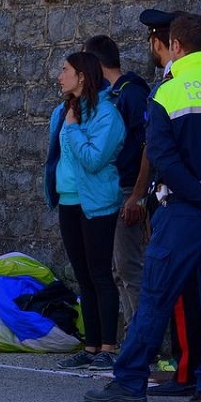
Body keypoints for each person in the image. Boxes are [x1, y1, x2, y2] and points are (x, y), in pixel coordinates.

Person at [85, 13, 201, 402]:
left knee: (155, 295)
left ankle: (130, 381)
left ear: (177, 46)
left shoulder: (167, 94)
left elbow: (164, 159)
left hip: (185, 212)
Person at [134, 8, 201, 397]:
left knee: (175, 291)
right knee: (197, 290)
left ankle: (183, 371)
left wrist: (142, 196)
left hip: (178, 200)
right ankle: (193, 368)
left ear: (163, 43)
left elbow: (158, 151)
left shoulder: (170, 87)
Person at [43, 51, 126, 372]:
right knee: (83, 277)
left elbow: (94, 159)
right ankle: (90, 347)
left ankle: (108, 347)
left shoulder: (107, 114)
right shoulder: (62, 112)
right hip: (68, 202)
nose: (59, 76)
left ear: (82, 76)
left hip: (97, 204)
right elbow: (56, 158)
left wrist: (74, 129)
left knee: (101, 275)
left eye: (65, 70)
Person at [82, 35, 151, 334]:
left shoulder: (131, 95)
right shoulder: (110, 96)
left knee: (128, 266)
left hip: (127, 190)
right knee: (115, 269)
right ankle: (131, 334)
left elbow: (149, 146)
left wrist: (137, 195)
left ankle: (142, 339)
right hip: (111, 191)